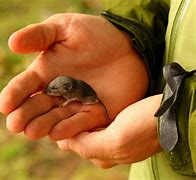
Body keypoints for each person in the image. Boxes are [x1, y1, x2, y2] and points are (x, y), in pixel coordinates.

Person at [0, 0, 195, 180]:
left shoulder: (73, 93)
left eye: (54, 89)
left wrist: (179, 120)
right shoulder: (67, 86)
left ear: (66, 89)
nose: (50, 91)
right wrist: (131, 30)